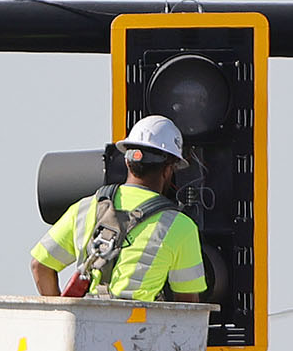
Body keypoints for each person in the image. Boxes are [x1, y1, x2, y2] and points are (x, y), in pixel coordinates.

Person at [29, 113, 210, 305]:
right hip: (137, 332)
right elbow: (188, 305)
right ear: (168, 170)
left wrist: (64, 319)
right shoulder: (180, 226)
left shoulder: (85, 207)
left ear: (127, 161)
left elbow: (40, 265)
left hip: (84, 329)